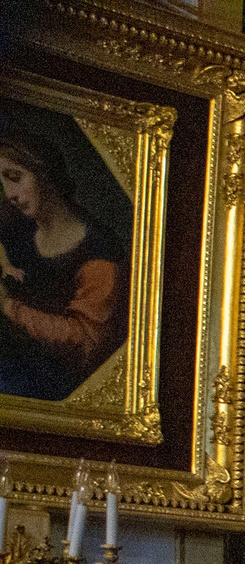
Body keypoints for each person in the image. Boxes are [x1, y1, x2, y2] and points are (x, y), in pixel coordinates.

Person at [0, 127, 127, 401]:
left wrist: (8, 307)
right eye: (3, 183)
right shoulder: (15, 234)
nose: (9, 194)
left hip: (55, 388)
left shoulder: (99, 251)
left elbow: (84, 340)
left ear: (44, 172)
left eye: (15, 178)